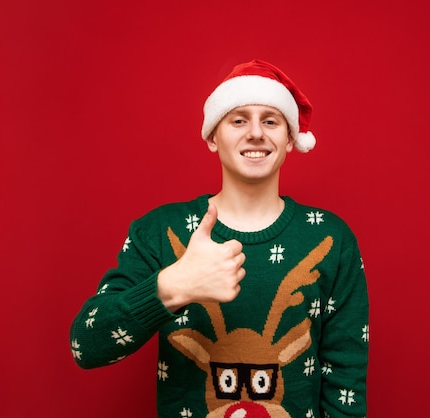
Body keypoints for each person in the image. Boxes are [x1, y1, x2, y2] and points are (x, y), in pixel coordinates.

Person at [70, 59, 369, 418]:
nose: (256, 133)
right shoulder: (161, 232)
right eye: (239, 119)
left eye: (271, 121)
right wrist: (172, 286)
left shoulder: (330, 239)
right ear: (213, 137)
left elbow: (345, 377)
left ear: (290, 140)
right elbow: (86, 347)